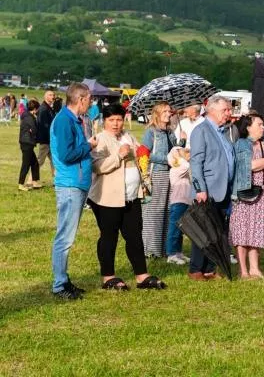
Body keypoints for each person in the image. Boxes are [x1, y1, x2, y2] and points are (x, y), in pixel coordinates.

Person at [87, 103, 167, 291]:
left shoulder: (128, 136)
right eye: (111, 120)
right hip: (107, 199)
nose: (116, 124)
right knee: (109, 237)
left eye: (119, 119)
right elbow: (97, 167)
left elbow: (141, 155)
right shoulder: (99, 139)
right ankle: (108, 277)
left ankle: (142, 276)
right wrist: (119, 155)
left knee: (134, 237)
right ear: (104, 121)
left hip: (131, 197)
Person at [50, 83, 98, 299]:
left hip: (76, 183)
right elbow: (66, 154)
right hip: (69, 185)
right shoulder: (64, 121)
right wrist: (89, 145)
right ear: (81, 99)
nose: (91, 103)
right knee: (65, 238)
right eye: (89, 99)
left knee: (67, 237)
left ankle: (63, 281)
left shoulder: (74, 120)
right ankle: (59, 285)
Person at [230, 114, 264, 279]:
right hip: (246, 192)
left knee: (256, 231)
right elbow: (250, 166)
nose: (263, 127)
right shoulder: (242, 144)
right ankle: (243, 270)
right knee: (242, 230)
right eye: (259, 124)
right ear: (248, 127)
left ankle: (255, 269)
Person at [189, 95, 235, 280]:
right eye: (225, 110)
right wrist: (200, 189)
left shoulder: (223, 132)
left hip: (224, 189)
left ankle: (209, 268)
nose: (229, 113)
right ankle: (195, 269)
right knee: (204, 231)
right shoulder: (201, 130)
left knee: (217, 232)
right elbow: (196, 162)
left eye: (229, 110)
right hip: (208, 190)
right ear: (213, 110)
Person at [141, 102, 178, 258]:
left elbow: (176, 151)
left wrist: (181, 144)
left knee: (167, 212)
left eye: (169, 111)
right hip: (155, 175)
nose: (169, 114)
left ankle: (163, 249)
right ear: (157, 113)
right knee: (153, 213)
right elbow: (144, 154)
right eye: (165, 111)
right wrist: (166, 159)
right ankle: (150, 250)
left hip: (171, 175)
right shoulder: (151, 132)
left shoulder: (171, 133)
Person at [166, 146, 192, 265]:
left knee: (180, 229)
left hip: (184, 202)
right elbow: (186, 165)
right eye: (182, 153)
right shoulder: (176, 169)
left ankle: (178, 253)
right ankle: (171, 254)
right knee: (174, 229)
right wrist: (178, 156)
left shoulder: (183, 168)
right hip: (178, 203)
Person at [18, 99, 42, 191]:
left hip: (27, 142)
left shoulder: (27, 116)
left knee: (35, 163)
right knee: (26, 164)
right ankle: (20, 184)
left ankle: (35, 182)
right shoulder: (29, 117)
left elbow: (32, 130)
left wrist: (32, 131)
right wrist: (33, 131)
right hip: (27, 143)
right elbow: (34, 129)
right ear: (35, 109)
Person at [36, 90, 56, 178]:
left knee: (54, 161)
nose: (53, 96)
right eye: (51, 95)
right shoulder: (43, 109)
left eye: (53, 95)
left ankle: (57, 181)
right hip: (45, 140)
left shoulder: (49, 108)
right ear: (46, 97)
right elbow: (43, 126)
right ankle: (31, 180)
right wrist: (49, 138)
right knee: (40, 161)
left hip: (50, 140)